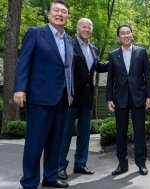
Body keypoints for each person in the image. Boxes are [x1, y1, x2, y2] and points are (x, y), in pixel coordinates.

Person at [13, 1, 73, 188]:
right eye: (56, 10)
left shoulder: (69, 40)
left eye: (64, 12)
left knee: (56, 142)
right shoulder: (36, 33)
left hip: (62, 99)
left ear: (67, 17)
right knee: (35, 142)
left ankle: (50, 176)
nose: (60, 14)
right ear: (48, 14)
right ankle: (29, 181)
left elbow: (68, 69)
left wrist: (71, 93)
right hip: (40, 98)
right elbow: (24, 62)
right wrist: (19, 88)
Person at [57, 18, 108, 180]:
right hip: (70, 97)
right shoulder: (69, 45)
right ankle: (59, 167)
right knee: (65, 134)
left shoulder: (94, 49)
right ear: (77, 29)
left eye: (89, 27)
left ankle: (80, 164)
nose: (87, 29)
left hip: (87, 98)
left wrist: (116, 60)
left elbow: (97, 67)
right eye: (84, 27)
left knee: (84, 134)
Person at [106, 24, 150, 176]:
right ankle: (122, 164)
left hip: (138, 96)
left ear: (132, 34)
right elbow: (110, 79)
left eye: (128, 33)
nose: (125, 35)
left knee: (139, 131)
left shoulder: (142, 52)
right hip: (120, 98)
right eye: (122, 33)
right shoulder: (113, 55)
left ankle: (141, 163)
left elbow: (148, 75)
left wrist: (149, 95)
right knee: (121, 133)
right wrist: (109, 99)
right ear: (118, 37)